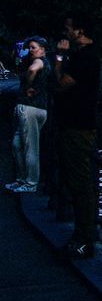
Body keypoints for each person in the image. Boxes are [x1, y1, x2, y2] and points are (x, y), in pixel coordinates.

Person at [53, 15, 101, 259]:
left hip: (78, 125)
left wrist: (59, 59)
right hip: (76, 123)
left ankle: (84, 239)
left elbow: (61, 85)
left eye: (68, 28)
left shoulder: (85, 58)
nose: (65, 33)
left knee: (80, 182)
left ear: (79, 31)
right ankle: (84, 235)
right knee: (77, 180)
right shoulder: (84, 56)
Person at [7, 36, 50, 193]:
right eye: (30, 47)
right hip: (32, 107)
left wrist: (28, 86)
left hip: (31, 107)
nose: (31, 50)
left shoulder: (39, 62)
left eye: (34, 47)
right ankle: (22, 179)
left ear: (43, 49)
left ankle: (30, 182)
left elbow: (33, 69)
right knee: (17, 144)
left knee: (29, 146)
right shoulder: (37, 62)